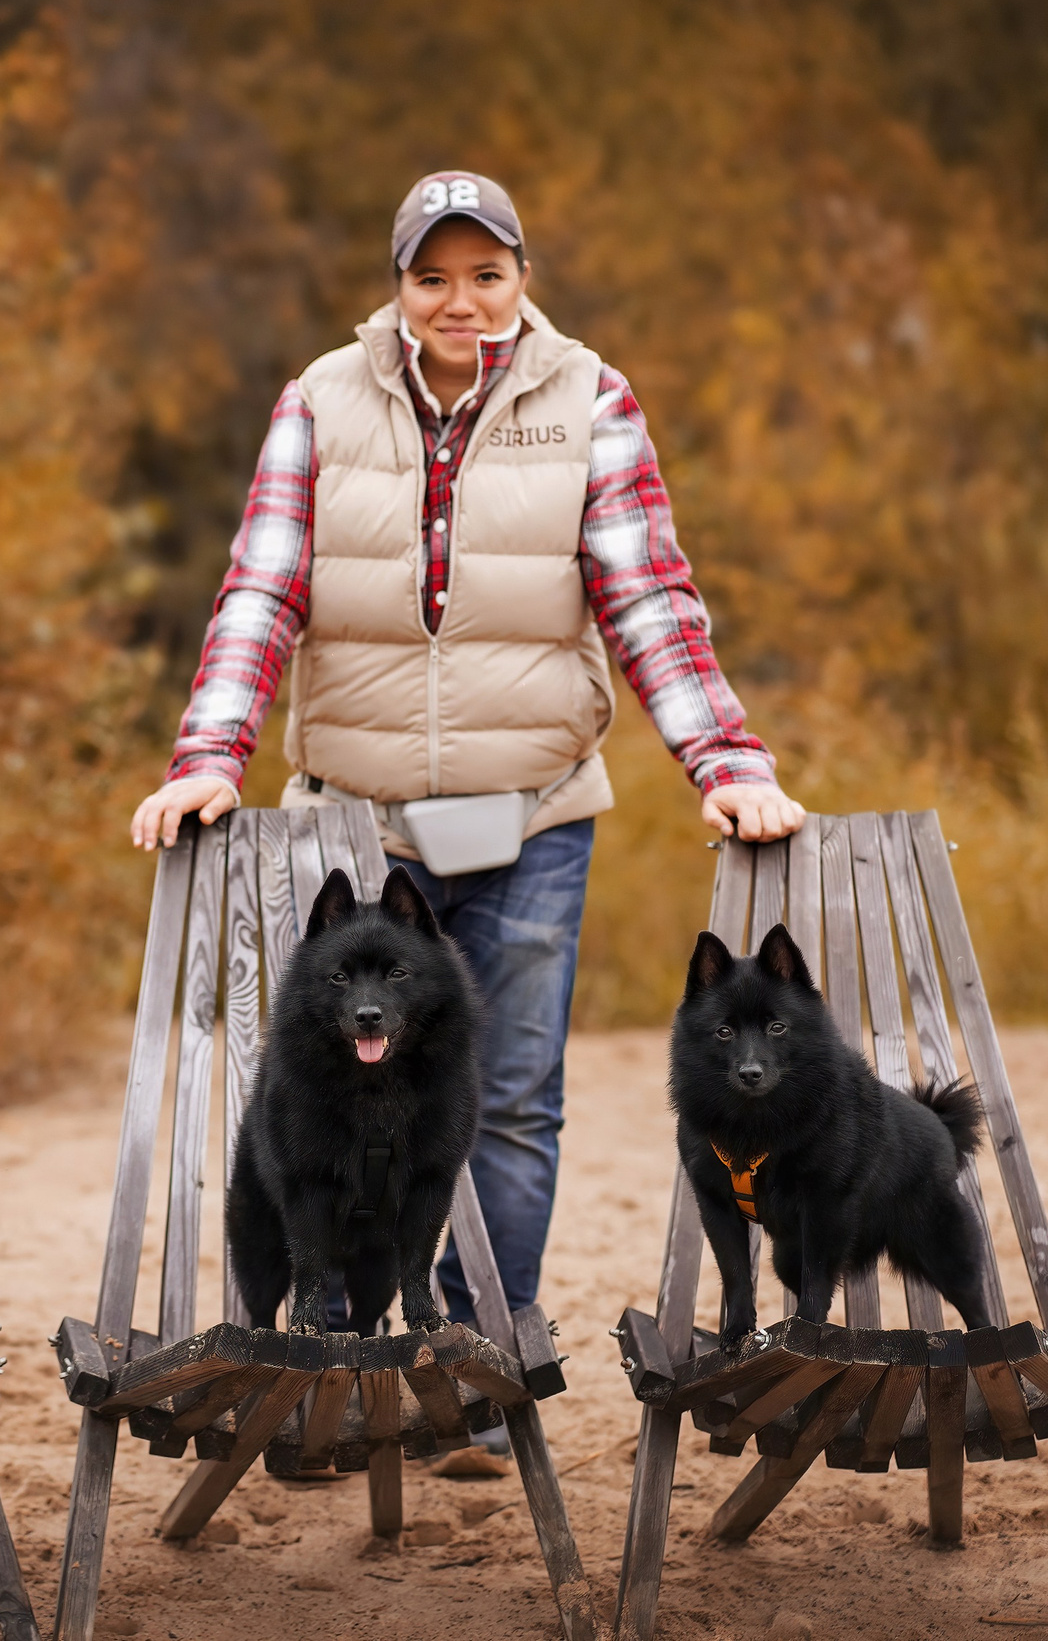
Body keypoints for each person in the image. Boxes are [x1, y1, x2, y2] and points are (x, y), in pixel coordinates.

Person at [131, 170, 805, 1473]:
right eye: (432, 277)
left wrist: (724, 759)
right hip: (355, 829)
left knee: (507, 1101)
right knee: (326, 1097)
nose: (461, 303)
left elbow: (648, 596)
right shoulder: (318, 403)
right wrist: (211, 752)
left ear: (522, 280)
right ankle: (335, 1364)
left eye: (486, 275)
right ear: (397, 286)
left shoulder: (592, 399)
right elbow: (262, 589)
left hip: (535, 816)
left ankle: (474, 1368)